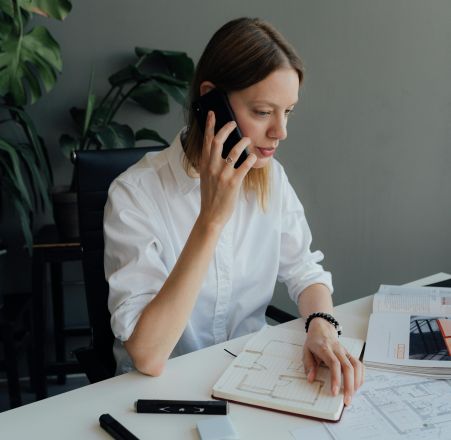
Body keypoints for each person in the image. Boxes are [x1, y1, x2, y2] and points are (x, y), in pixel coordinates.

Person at [104, 17, 364, 405]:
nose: (281, 131)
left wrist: (321, 326)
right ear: (212, 102)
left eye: (288, 111)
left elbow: (305, 270)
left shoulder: (270, 178)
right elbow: (148, 356)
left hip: (247, 381)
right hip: (156, 396)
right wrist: (211, 220)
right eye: (263, 112)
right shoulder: (134, 194)